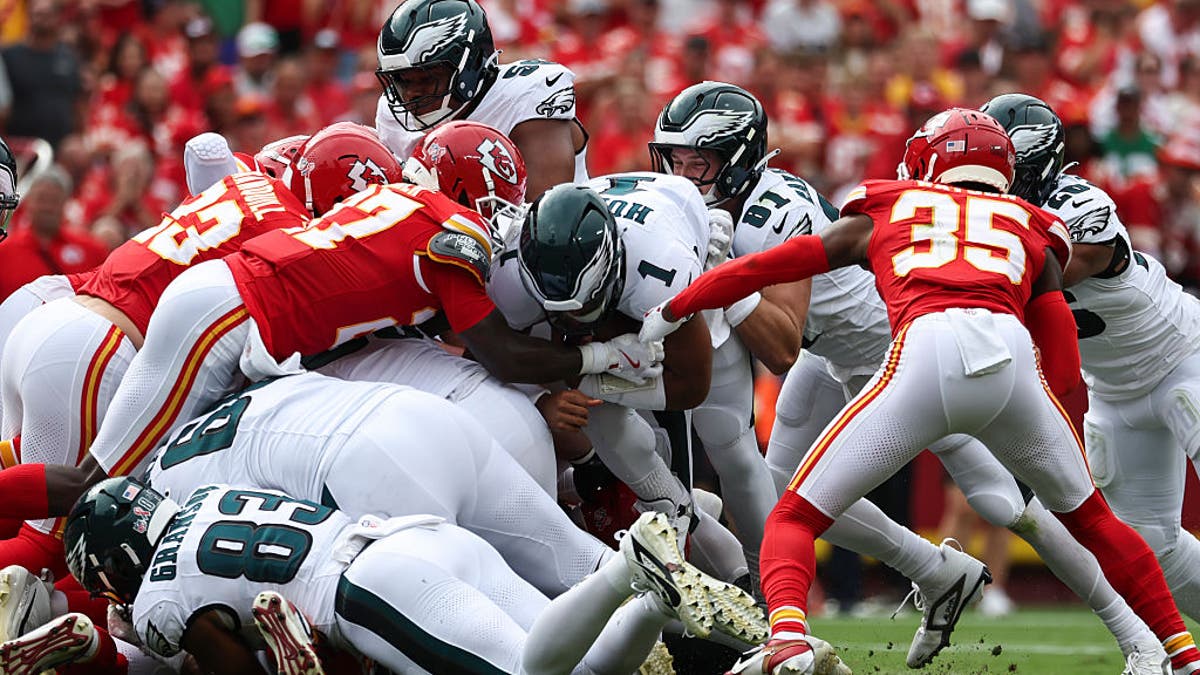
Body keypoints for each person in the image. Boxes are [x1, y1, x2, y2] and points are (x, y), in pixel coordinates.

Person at [639, 108, 1200, 675]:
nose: (686, 172)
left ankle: (789, 639)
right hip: (951, 353)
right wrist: (1059, 425)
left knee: (814, 512)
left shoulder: (889, 203)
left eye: (699, 160)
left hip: (903, 345)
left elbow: (769, 279)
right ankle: (1179, 650)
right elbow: (1061, 358)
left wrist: (681, 300)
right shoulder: (1030, 223)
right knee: (1091, 516)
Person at [5, 478, 757, 675]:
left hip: (367, 590)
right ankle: (652, 598)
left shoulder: (162, 595)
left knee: (534, 673)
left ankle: (629, 566)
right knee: (583, 664)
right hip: (406, 534)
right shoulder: (204, 499)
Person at [984, 92, 1200, 623]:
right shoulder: (991, 221)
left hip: (1182, 357)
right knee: (1148, 549)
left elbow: (1055, 271)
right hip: (1115, 390)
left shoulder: (1078, 202)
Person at [375, 0, 589, 197]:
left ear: (469, 66)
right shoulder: (391, 113)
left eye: (425, 78)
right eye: (402, 80)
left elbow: (543, 213)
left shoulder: (526, 94)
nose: (411, 93)